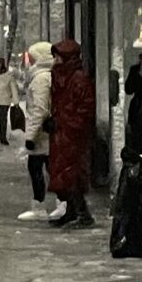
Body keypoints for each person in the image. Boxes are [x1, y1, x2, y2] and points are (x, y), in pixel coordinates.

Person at [46, 37, 97, 228]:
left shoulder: (77, 80)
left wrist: (70, 124)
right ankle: (73, 210)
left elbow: (85, 109)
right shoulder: (61, 77)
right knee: (63, 173)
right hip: (62, 133)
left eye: (58, 57)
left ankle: (81, 213)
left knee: (72, 174)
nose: (55, 61)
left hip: (73, 135)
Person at [17, 41, 56, 220]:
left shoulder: (41, 79)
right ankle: (57, 204)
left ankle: (41, 206)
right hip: (45, 133)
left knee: (38, 168)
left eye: (32, 58)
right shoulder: (47, 76)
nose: (30, 62)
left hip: (42, 135)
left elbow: (39, 109)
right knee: (47, 168)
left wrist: (30, 136)